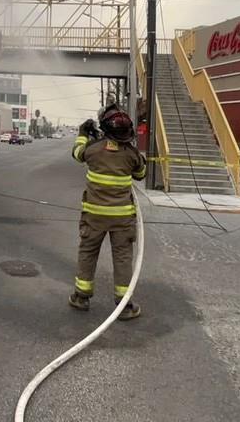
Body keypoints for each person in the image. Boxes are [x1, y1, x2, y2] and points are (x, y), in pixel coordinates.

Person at [68, 105, 146, 320]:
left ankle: (81, 297)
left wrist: (84, 134)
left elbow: (77, 153)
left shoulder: (93, 149)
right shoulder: (131, 154)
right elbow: (141, 173)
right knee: (122, 257)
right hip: (122, 218)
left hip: (93, 216)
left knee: (88, 252)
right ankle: (124, 304)